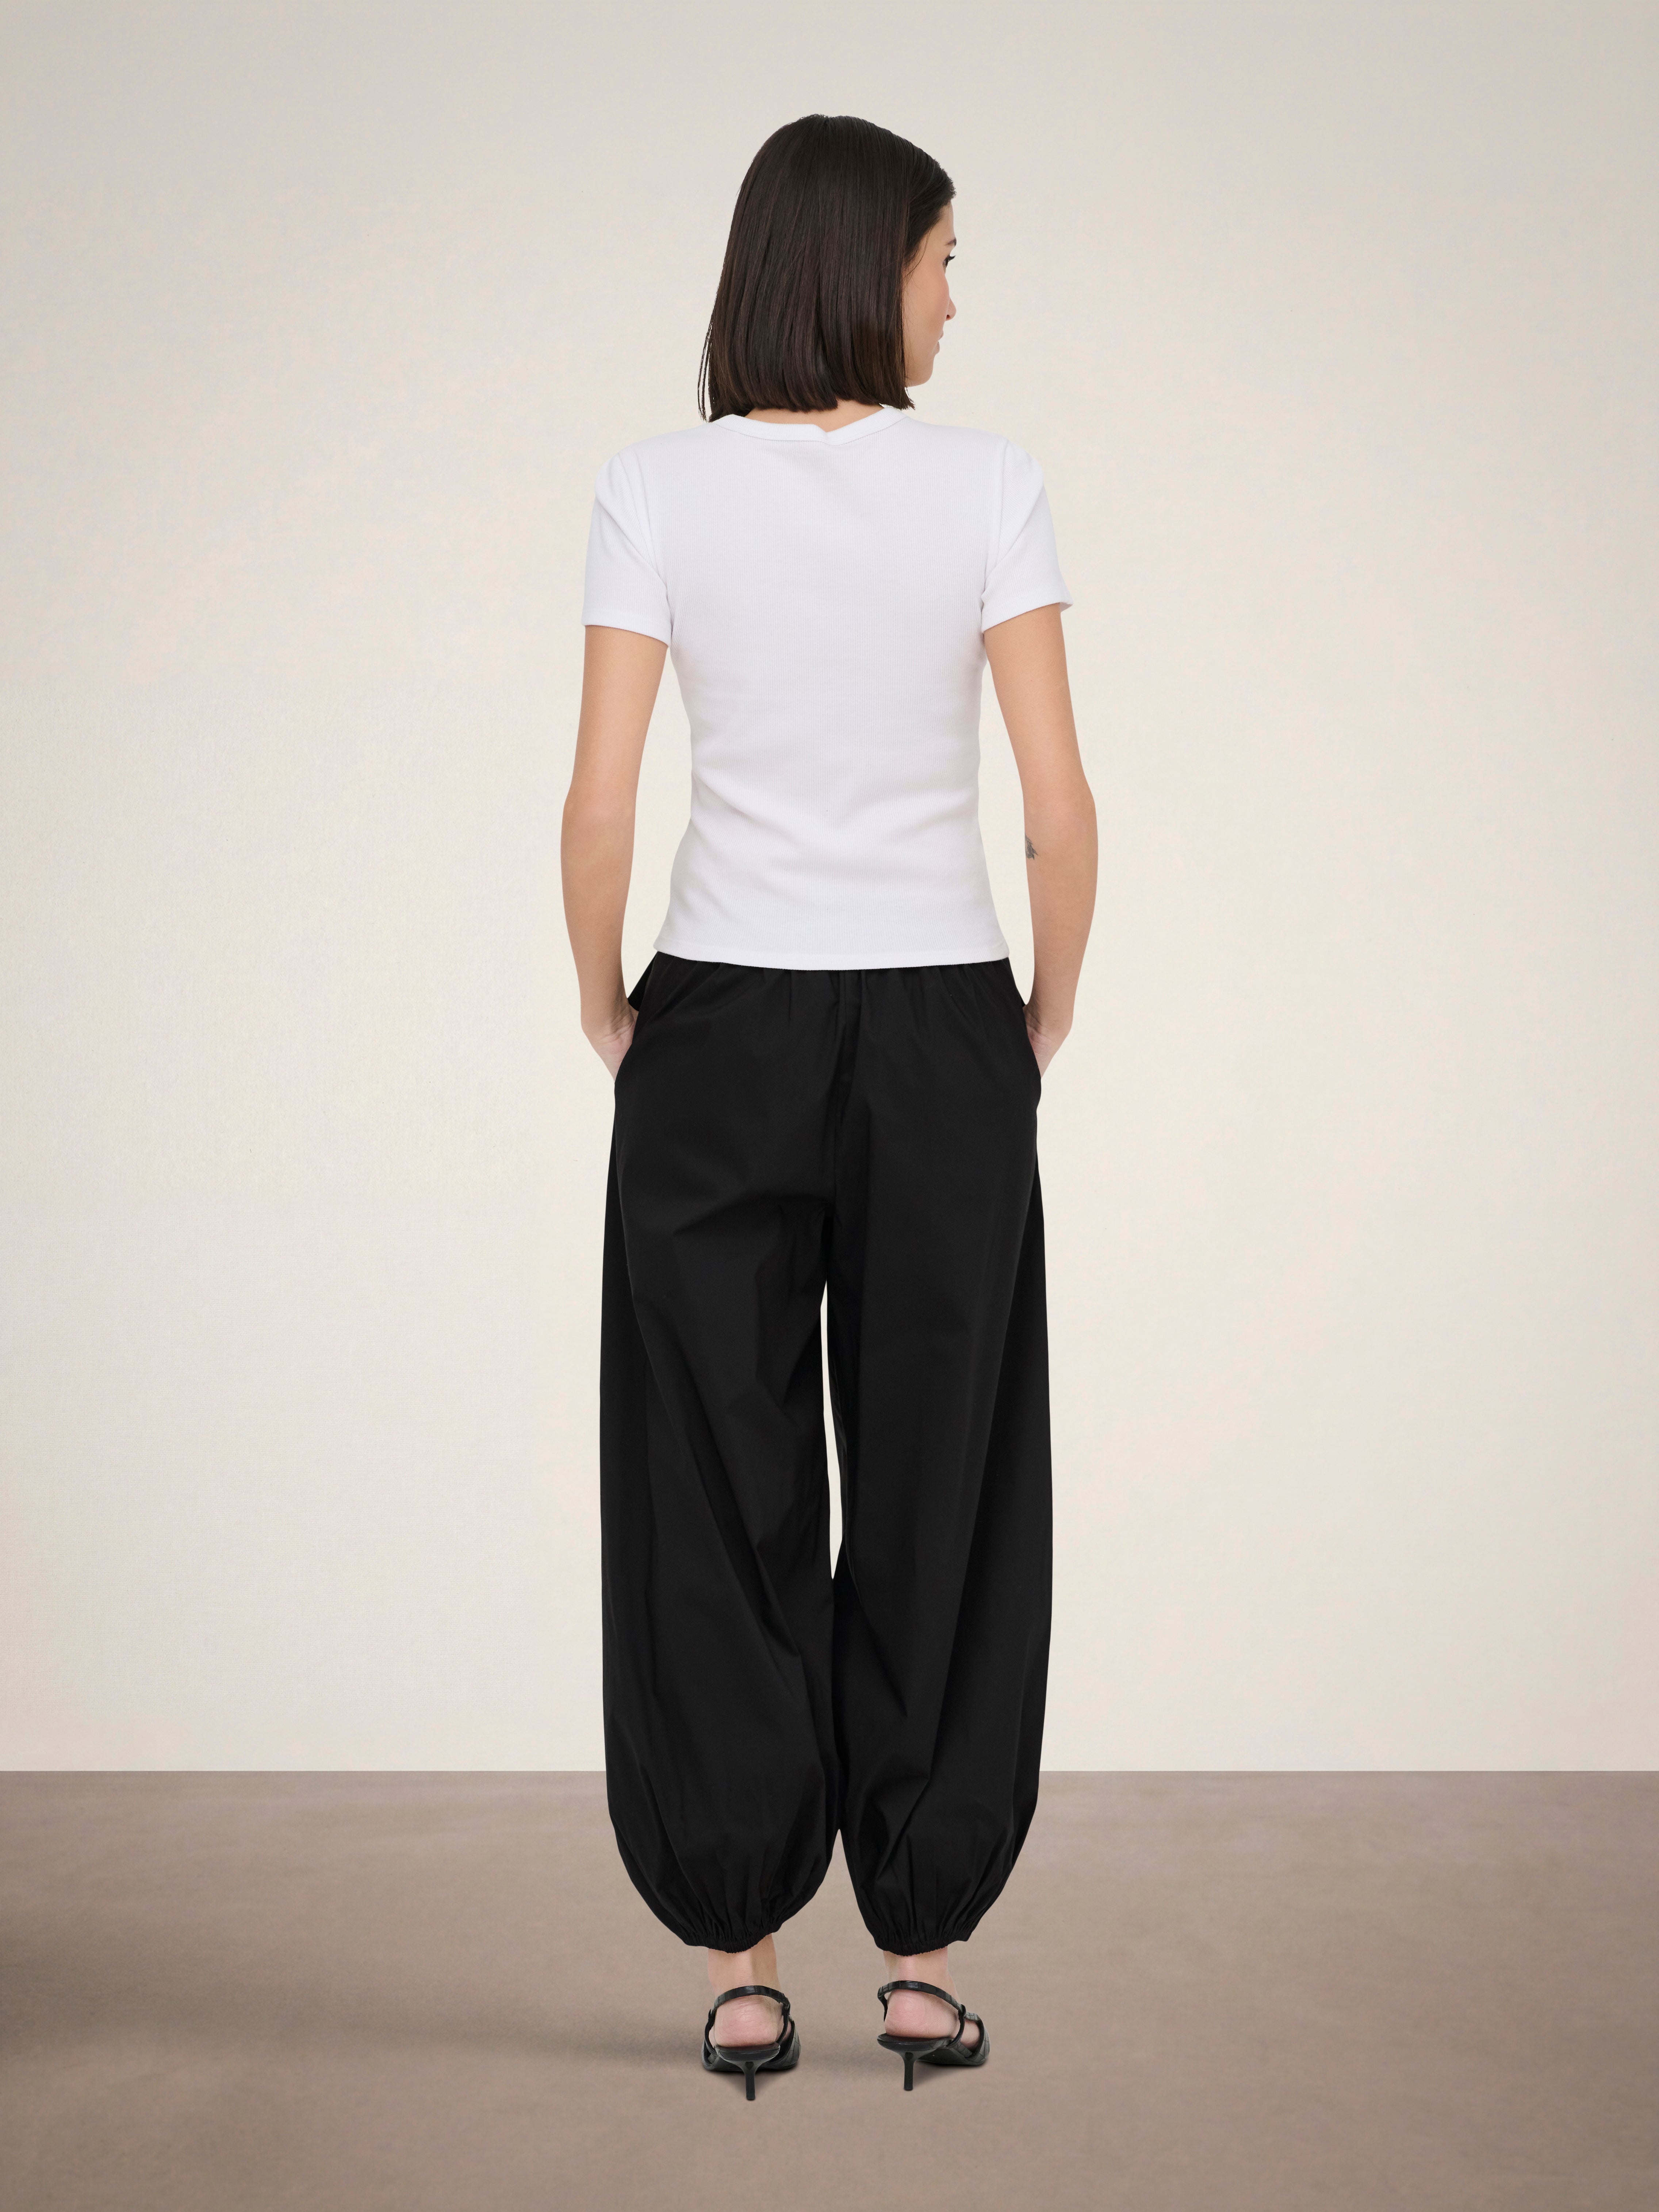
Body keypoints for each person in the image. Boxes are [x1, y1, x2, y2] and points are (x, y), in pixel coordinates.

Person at [562, 112, 1096, 2096]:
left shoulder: (653, 487)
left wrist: (606, 1002)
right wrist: (1039, 1016)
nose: (957, 296)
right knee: (943, 1467)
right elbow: (1059, 806)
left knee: (716, 1480)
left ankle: (741, 1967)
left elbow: (602, 795)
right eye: (947, 258)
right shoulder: (990, 486)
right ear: (870, 265)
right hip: (945, 1024)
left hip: (717, 1024)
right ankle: (924, 1961)